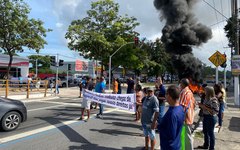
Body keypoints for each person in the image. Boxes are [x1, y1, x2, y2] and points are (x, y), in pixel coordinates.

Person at [159, 85, 185, 150]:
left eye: (166, 94)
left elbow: (171, 135)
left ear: (170, 97)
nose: (165, 96)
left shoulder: (172, 113)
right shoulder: (180, 108)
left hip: (169, 146)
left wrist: (159, 126)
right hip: (177, 144)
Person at [179, 78, 196, 150]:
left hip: (185, 118)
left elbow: (182, 106)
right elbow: (194, 104)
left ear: (182, 84)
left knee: (186, 136)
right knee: (187, 135)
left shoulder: (184, 92)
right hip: (190, 116)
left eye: (180, 83)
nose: (179, 84)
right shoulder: (190, 92)